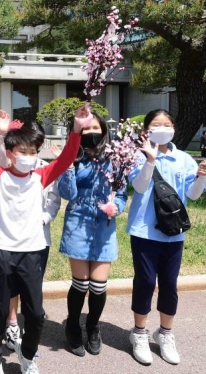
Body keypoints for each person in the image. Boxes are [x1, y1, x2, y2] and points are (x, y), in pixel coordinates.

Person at [0, 89, 91, 374]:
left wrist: (76, 129)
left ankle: (28, 354)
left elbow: (66, 159)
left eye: (34, 152)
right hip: (1, 250)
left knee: (35, 313)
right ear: (9, 154)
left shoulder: (40, 176)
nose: (29, 157)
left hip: (32, 252)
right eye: (23, 152)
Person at [127, 109, 206, 366]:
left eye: (167, 123)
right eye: (156, 124)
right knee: (145, 282)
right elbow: (139, 187)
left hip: (173, 234)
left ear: (174, 127)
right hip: (144, 231)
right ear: (147, 129)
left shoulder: (184, 159)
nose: (162, 127)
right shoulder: (137, 156)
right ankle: (139, 333)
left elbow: (194, 195)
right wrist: (149, 160)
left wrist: (201, 176)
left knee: (169, 285)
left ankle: (165, 333)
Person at [58, 112, 127, 357]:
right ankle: (73, 326)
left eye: (95, 128)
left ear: (104, 129)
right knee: (81, 282)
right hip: (78, 221)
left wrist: (117, 206)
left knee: (98, 286)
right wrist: (67, 166)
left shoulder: (116, 158)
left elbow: (121, 192)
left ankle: (93, 326)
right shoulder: (74, 157)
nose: (90, 133)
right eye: (85, 129)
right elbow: (68, 193)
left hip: (104, 224)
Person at [0, 110, 62, 353]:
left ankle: (27, 331)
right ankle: (12, 324)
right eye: (28, 146)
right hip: (11, 239)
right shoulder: (12, 163)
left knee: (31, 288)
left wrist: (41, 220)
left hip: (38, 238)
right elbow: (2, 161)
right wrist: (3, 134)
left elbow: (54, 200)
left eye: (37, 146)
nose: (32, 150)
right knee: (11, 286)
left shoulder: (44, 169)